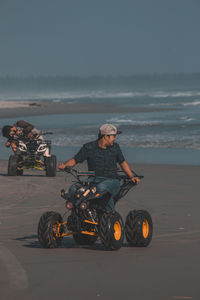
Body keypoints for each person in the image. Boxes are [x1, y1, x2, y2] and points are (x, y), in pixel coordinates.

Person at [58, 123, 140, 211]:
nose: (115, 138)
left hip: (112, 181)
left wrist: (131, 176)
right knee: (74, 188)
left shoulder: (115, 147)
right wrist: (65, 166)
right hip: (92, 180)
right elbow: (75, 160)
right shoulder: (89, 147)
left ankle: (110, 215)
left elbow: (123, 162)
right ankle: (77, 214)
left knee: (101, 188)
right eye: (113, 136)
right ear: (105, 136)